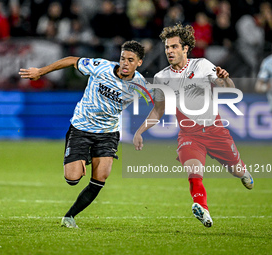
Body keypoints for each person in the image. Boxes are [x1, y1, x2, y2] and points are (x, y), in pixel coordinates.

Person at [132, 24, 254, 228]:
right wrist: (139, 131)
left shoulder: (203, 66)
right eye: (167, 47)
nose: (169, 51)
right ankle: (202, 209)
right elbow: (158, 110)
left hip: (215, 131)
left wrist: (225, 79)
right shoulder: (162, 78)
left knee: (236, 170)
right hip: (190, 134)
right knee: (194, 171)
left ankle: (243, 172)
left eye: (174, 47)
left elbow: (229, 89)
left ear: (186, 48)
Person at [19, 41, 150, 228]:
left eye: (130, 60)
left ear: (139, 63)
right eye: (122, 58)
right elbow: (72, 60)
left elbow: (160, 104)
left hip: (108, 133)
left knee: (101, 177)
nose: (125, 63)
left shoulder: (140, 85)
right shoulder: (101, 67)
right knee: (72, 179)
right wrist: (41, 72)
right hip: (82, 127)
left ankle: (69, 217)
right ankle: (85, 157)